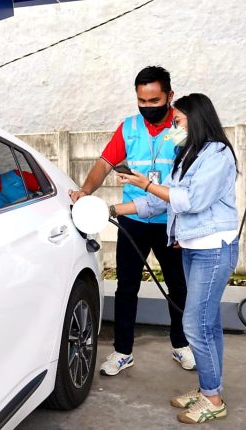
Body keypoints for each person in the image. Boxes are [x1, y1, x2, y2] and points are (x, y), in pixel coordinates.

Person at [111, 93, 239, 424]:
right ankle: (209, 388)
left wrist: (147, 185)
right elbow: (160, 202)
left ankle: (213, 400)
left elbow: (190, 200)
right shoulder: (187, 156)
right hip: (193, 247)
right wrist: (111, 209)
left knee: (195, 324)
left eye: (177, 121)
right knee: (208, 324)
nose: (173, 128)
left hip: (214, 249)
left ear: (196, 119)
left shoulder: (218, 154)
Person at [69, 66, 195, 375]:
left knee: (178, 287)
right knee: (126, 288)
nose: (148, 107)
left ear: (170, 96)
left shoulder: (182, 126)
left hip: (171, 221)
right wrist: (85, 191)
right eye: (142, 101)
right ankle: (123, 352)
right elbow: (104, 164)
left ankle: (181, 345)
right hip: (133, 220)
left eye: (155, 101)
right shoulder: (129, 128)